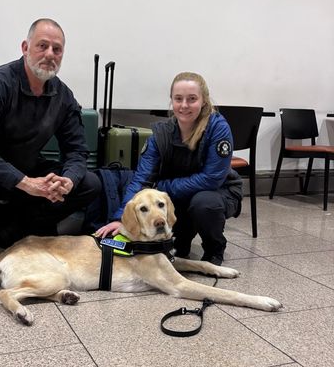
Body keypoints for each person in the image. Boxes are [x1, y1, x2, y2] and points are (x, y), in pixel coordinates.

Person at [0, 18, 102, 283]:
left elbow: (77, 152)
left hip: (25, 166)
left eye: (57, 49)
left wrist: (68, 180)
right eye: (42, 46)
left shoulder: (63, 96)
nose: (50, 55)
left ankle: (29, 228)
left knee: (89, 183)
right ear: (25, 47)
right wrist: (25, 182)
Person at [96, 72, 243, 265]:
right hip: (179, 196)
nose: (184, 105)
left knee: (203, 203)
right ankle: (182, 240)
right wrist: (120, 218)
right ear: (171, 101)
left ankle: (214, 248)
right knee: (178, 245)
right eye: (178, 99)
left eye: (192, 99)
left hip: (218, 191)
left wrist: (164, 188)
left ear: (204, 101)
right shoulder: (161, 134)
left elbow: (212, 178)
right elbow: (141, 179)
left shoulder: (218, 127)